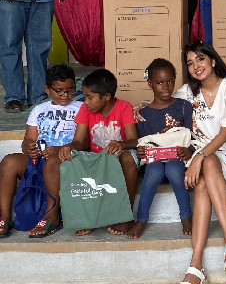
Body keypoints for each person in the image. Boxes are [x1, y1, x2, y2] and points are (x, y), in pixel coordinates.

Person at [165, 42, 226, 283]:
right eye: (190, 63)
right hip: (202, 161)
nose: (196, 66)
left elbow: (223, 135)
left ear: (213, 61)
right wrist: (141, 109)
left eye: (200, 59)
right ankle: (201, 260)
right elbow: (163, 104)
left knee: (209, 162)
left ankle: (223, 243)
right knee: (203, 182)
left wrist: (199, 158)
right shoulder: (186, 93)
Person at [0, 64, 80, 238]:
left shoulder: (80, 108)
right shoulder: (39, 110)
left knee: (52, 162)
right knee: (9, 161)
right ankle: (4, 216)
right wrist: (28, 147)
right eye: (59, 91)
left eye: (70, 90)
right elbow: (28, 139)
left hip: (64, 158)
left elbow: (82, 141)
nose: (65, 95)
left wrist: (60, 149)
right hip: (39, 159)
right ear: (47, 89)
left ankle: (51, 214)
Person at [57, 69, 139, 236]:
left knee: (128, 158)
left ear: (106, 96)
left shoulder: (124, 107)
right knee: (69, 159)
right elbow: (79, 141)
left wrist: (121, 144)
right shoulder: (85, 109)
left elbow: (134, 140)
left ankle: (126, 216)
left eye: (90, 97)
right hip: (96, 157)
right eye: (85, 97)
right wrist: (70, 147)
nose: (85, 102)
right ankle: (90, 218)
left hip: (118, 156)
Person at [126, 59, 194, 240]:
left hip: (178, 162)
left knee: (173, 167)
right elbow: (142, 143)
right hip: (154, 165)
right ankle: (142, 219)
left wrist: (189, 150)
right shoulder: (142, 115)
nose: (166, 87)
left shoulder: (184, 106)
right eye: (159, 82)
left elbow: (193, 136)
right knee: (155, 169)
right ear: (150, 83)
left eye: (170, 81)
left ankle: (186, 216)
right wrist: (140, 151)